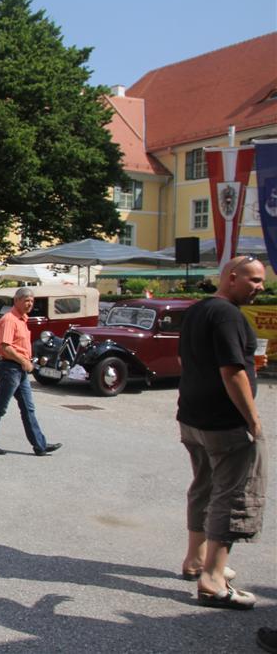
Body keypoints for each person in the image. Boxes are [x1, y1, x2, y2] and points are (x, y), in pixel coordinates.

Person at [176, 255, 266, 611]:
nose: (259, 287)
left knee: (204, 486)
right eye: (254, 280)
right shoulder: (228, 315)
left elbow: (186, 361)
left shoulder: (198, 310)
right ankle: (212, 579)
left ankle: (196, 560)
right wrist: (253, 419)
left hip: (192, 417)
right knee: (230, 496)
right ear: (231, 277)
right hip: (223, 423)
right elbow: (232, 371)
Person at [0, 287, 61, 457]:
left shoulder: (22, 319)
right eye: (26, 300)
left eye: (31, 300)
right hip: (11, 368)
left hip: (19, 369)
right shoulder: (9, 320)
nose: (29, 303)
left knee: (28, 408)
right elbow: (5, 346)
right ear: (16, 300)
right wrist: (24, 361)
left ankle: (40, 445)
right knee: (0, 407)